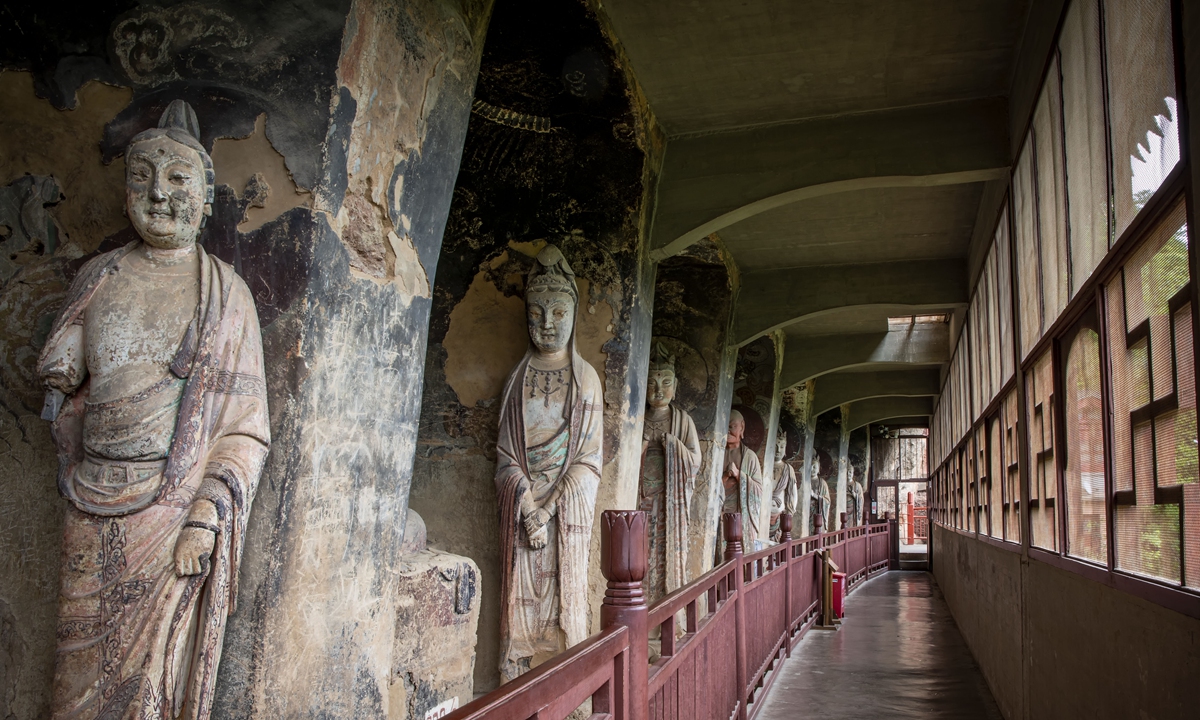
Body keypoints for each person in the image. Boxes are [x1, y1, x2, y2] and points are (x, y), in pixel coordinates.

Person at [39, 100, 269, 719]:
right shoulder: (100, 277)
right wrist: (60, 371)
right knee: (74, 666)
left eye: (177, 179)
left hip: (169, 511)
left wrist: (204, 516)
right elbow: (65, 379)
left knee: (149, 677)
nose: (159, 194)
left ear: (206, 197)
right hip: (89, 497)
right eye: (141, 177)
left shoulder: (225, 295)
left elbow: (245, 431)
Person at [495, 245, 603, 682]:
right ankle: (516, 679)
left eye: (559, 313)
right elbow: (505, 456)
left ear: (573, 315)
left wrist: (547, 511)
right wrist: (526, 507)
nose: (547, 324)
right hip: (523, 510)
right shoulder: (516, 379)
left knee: (561, 606)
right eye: (536, 313)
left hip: (562, 510)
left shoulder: (586, 379)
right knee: (519, 605)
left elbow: (588, 460)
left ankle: (563, 685)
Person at [639, 343, 701, 604]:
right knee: (639, 549)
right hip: (641, 497)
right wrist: (641, 446)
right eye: (651, 383)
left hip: (669, 501)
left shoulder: (683, 420)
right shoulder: (637, 418)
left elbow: (695, 460)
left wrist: (673, 446)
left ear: (675, 387)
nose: (658, 389)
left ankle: (664, 604)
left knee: (663, 551)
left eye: (665, 383)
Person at [721, 409, 764, 548]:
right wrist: (725, 476)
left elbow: (759, 490)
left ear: (742, 427)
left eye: (732, 426)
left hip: (740, 514)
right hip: (720, 512)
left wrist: (739, 475)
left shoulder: (750, 457)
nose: (727, 431)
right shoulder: (716, 454)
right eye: (724, 426)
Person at [770, 432, 798, 540]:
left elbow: (793, 495)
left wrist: (789, 513)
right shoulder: (763, 466)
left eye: (781, 447)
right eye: (775, 446)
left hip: (780, 514)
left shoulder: (788, 469)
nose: (778, 450)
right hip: (762, 514)